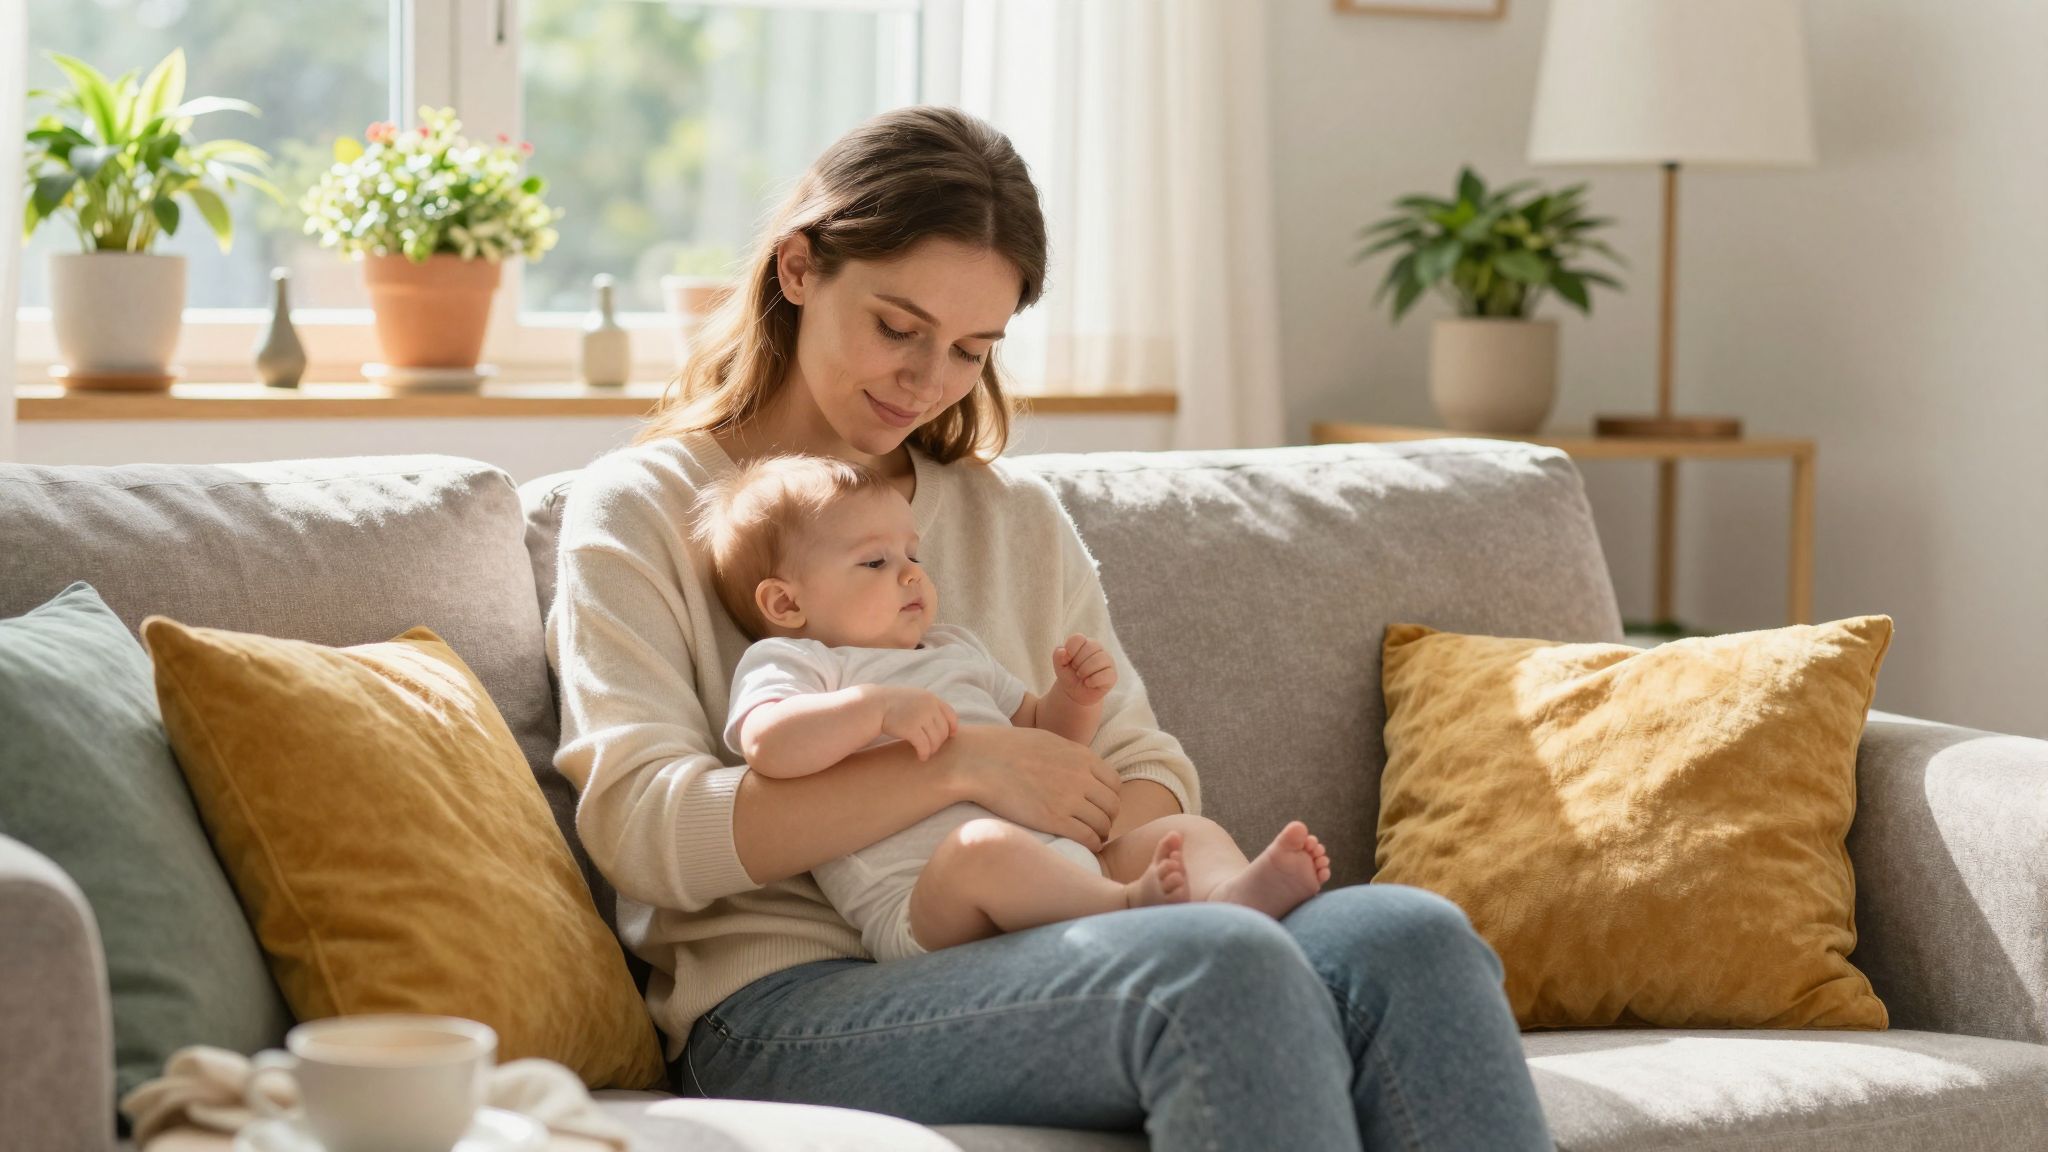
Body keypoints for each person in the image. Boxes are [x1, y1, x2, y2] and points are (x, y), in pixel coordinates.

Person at [546, 104, 1553, 1149]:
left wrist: (1111, 852)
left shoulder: (1010, 519)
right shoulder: (643, 506)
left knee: (1409, 935)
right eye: (897, 328)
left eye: (969, 349)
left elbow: (1140, 762)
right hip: (784, 1007)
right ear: (798, 268)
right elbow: (646, 829)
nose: (927, 380)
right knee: (1219, 967)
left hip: (1048, 925)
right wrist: (957, 770)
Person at [695, 452, 1334, 963]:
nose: (912, 573)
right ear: (786, 605)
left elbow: (1040, 738)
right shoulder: (799, 664)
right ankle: (1129, 912)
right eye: (875, 561)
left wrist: (1075, 700)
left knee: (1186, 833)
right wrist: (872, 709)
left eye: (913, 554)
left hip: (1064, 860)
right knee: (982, 848)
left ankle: (1231, 897)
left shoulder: (954, 650)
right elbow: (768, 746)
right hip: (927, 903)